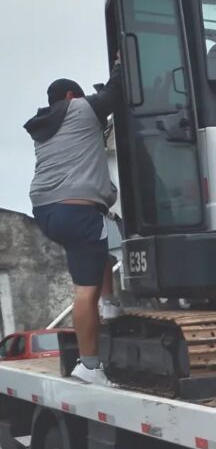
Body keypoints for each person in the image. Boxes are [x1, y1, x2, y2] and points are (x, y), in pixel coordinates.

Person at [24, 57, 123, 384]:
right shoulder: (79, 109)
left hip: (47, 211)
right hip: (76, 211)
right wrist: (123, 60)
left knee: (102, 246)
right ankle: (90, 367)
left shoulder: (45, 129)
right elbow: (115, 92)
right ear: (70, 97)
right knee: (85, 290)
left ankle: (110, 305)